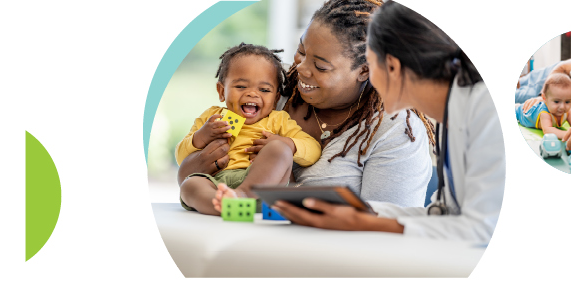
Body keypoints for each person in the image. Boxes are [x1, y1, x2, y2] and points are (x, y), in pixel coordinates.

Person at [271, 1, 505, 245]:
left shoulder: (485, 110)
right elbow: (443, 215)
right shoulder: (453, 114)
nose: (368, 81)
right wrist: (355, 213)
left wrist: (365, 223)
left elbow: (484, 230)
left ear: (391, 67)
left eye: (369, 66)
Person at [175, 0, 434, 215]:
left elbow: (389, 227)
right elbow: (187, 175)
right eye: (301, 50)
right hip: (236, 235)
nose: (301, 68)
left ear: (364, 70)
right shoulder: (270, 90)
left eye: (320, 66)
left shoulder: (395, 131)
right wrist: (201, 157)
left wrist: (286, 148)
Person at [172, 43, 322, 214]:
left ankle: (241, 196)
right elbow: (181, 157)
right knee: (190, 184)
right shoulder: (213, 117)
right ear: (221, 91)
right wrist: (201, 136)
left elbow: (313, 151)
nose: (252, 94)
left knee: (280, 150)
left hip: (262, 188)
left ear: (275, 98)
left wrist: (287, 143)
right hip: (217, 185)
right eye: (241, 86)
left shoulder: (277, 120)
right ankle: (224, 206)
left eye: (264, 89)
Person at [516, 73, 571, 137]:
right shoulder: (545, 113)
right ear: (544, 98)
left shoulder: (568, 112)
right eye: (556, 101)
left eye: (567, 102)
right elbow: (548, 130)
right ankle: (517, 106)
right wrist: (569, 135)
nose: (562, 107)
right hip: (523, 112)